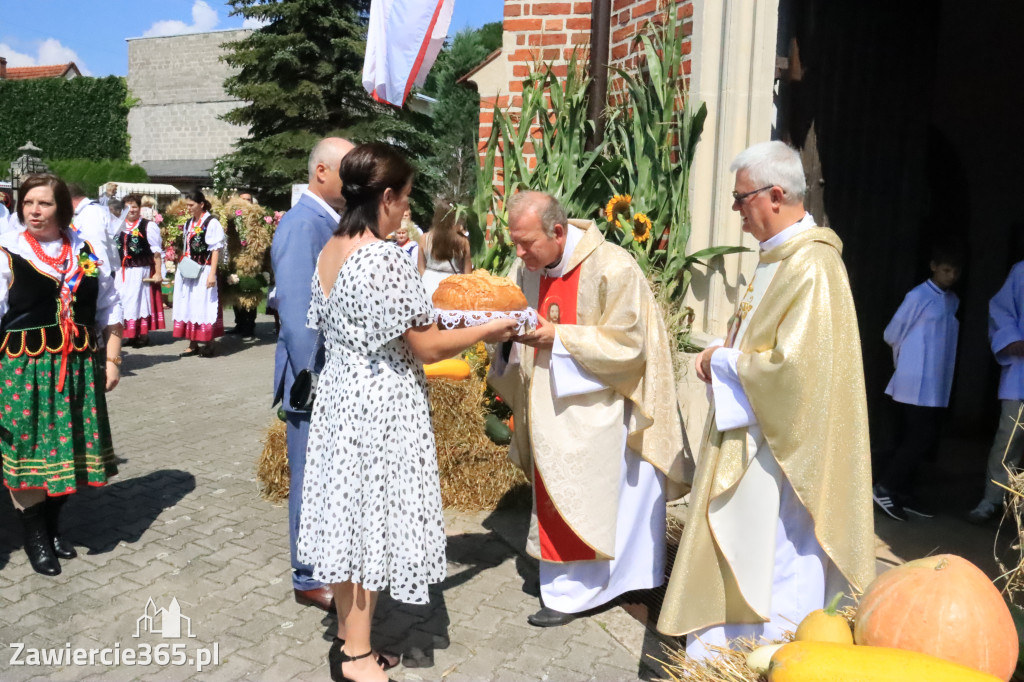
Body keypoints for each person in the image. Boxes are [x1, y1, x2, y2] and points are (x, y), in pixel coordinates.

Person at [298, 142, 518, 682]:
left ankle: (354, 643)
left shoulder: (332, 248)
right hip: (380, 406)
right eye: (405, 199)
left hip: (341, 399)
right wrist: (492, 327)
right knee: (371, 525)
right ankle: (354, 657)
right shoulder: (381, 257)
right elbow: (426, 346)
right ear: (388, 197)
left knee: (349, 525)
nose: (406, 211)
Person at [655, 141, 875, 657]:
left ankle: (778, 657)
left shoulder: (814, 267)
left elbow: (797, 376)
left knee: (780, 557)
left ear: (776, 195)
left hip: (785, 456)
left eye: (741, 199)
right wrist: (725, 351)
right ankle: (728, 654)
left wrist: (721, 362)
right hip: (755, 437)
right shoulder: (777, 258)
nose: (736, 212)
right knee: (746, 548)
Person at [488, 190, 686, 628]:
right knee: (561, 495)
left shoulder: (611, 267)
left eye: (526, 243)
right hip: (549, 405)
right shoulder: (528, 268)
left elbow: (629, 345)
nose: (519, 254)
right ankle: (579, 587)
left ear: (557, 232)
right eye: (515, 243)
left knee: (598, 501)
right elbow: (516, 331)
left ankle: (576, 594)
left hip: (603, 410)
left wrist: (558, 337)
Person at [0, 174, 123, 576]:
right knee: (29, 453)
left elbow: (109, 306)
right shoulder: (9, 252)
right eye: (28, 203)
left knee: (69, 449)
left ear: (62, 208)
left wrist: (112, 359)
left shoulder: (84, 250)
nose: (34, 211)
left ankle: (53, 528)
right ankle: (36, 538)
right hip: (25, 371)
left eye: (44, 204)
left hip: (78, 367)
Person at [272, 137, 354, 611]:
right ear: (321, 172)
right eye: (349, 171)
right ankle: (307, 577)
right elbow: (301, 317)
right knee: (309, 478)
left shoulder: (324, 220)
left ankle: (321, 566)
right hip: (315, 379)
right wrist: (313, 382)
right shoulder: (304, 224)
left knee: (324, 478)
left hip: (327, 374)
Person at [872, 245, 961, 521]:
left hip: (936, 382)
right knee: (916, 438)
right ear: (933, 266)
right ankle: (884, 487)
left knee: (922, 439)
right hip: (914, 381)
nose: (951, 277)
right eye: (946, 270)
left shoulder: (952, 300)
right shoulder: (918, 296)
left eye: (956, 272)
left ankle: (902, 491)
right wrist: (909, 360)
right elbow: (892, 333)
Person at [968, 260, 1024, 523]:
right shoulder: (1021, 271)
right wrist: (1012, 338)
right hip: (1021, 371)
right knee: (1008, 438)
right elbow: (1000, 308)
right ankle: (993, 499)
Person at [172, 190, 224, 357]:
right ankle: (192, 342)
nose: (188, 208)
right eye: (187, 205)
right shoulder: (189, 223)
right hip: (189, 269)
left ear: (201, 204)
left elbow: (215, 250)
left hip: (204, 269)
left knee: (204, 304)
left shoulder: (211, 223)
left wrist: (212, 275)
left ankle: (209, 342)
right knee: (188, 303)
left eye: (191, 205)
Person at [115, 194, 165, 347]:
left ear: (140, 208)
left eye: (134, 207)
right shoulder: (118, 225)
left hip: (140, 270)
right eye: (128, 207)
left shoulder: (148, 226)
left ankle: (142, 335)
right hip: (121, 271)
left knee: (140, 302)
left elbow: (156, 252)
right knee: (123, 302)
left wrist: (158, 272)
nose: (131, 210)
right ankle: (129, 334)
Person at [417, 202, 471, 301]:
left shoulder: (424, 238)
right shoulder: (463, 241)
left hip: (428, 286)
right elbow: (467, 273)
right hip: (453, 288)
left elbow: (420, 268)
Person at [69, 183, 119, 276]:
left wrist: (100, 283)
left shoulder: (91, 213)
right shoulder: (86, 211)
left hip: (98, 274)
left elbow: (97, 249)